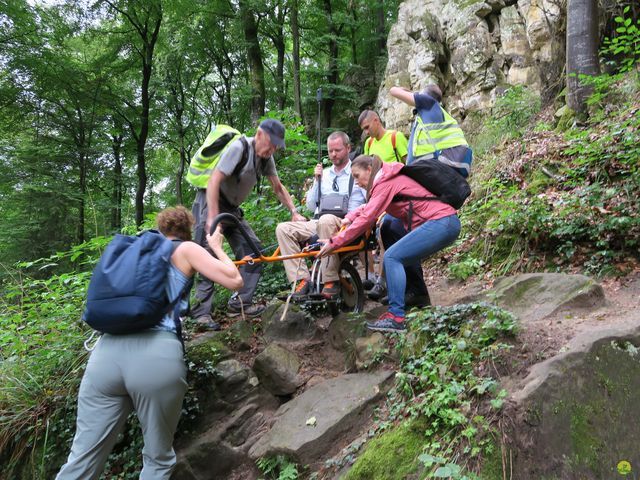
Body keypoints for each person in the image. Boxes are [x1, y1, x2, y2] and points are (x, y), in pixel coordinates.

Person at [56, 206, 243, 480]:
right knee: (157, 459)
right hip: (155, 355)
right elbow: (235, 280)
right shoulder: (186, 249)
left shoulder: (133, 251)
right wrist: (216, 246)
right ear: (186, 230)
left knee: (81, 461)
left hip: (104, 356)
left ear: (161, 228)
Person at [318, 155, 461, 332]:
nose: (356, 182)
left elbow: (368, 217)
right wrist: (348, 218)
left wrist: (335, 242)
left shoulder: (385, 181)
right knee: (394, 244)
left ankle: (396, 317)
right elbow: (368, 208)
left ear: (369, 170)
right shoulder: (385, 180)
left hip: (441, 222)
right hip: (443, 222)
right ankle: (416, 296)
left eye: (356, 175)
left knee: (392, 257)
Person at [191, 119, 306, 324]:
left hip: (233, 208)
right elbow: (213, 181)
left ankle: (240, 303)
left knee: (253, 252)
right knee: (205, 253)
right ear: (259, 134)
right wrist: (212, 218)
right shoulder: (239, 148)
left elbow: (278, 187)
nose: (272, 149)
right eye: (271, 143)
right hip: (210, 201)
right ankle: (201, 314)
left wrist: (294, 211)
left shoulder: (265, 158)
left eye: (276, 146)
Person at [275, 131, 366, 299]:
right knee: (283, 228)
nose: (333, 154)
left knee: (326, 220)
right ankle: (302, 280)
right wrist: (316, 180)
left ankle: (330, 279)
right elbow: (310, 206)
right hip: (319, 221)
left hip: (346, 223)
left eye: (337, 150)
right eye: (330, 151)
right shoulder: (323, 174)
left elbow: (371, 202)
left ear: (348, 148)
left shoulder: (358, 171)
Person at [358, 109, 410, 298]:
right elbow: (368, 174)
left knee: (383, 235)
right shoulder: (369, 144)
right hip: (377, 199)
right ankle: (373, 277)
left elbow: (408, 166)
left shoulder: (396, 138)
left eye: (367, 127)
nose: (366, 132)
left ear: (376, 120)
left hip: (396, 199)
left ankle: (382, 282)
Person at [389, 84, 472, 170]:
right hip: (438, 164)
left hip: (430, 166)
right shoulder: (435, 111)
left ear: (424, 95)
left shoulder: (427, 102)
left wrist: (402, 88)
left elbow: (393, 91)